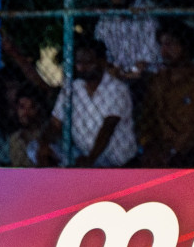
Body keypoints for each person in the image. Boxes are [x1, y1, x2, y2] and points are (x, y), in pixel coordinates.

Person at [139, 19, 194, 167]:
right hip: (162, 148)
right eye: (162, 45)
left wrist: (173, 150)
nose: (164, 51)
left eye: (170, 44)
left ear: (185, 46)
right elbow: (147, 119)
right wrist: (149, 144)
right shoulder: (158, 81)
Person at [51, 39, 139, 168]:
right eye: (79, 62)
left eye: (88, 62)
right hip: (82, 153)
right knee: (35, 147)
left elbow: (108, 128)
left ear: (102, 62)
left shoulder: (117, 89)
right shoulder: (72, 88)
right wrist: (44, 144)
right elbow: (55, 122)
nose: (82, 68)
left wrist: (90, 159)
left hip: (112, 157)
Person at [94, 0, 159, 81]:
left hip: (147, 76)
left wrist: (132, 72)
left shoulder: (146, 11)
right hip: (115, 77)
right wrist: (114, 71)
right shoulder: (106, 18)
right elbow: (101, 51)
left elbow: (150, 55)